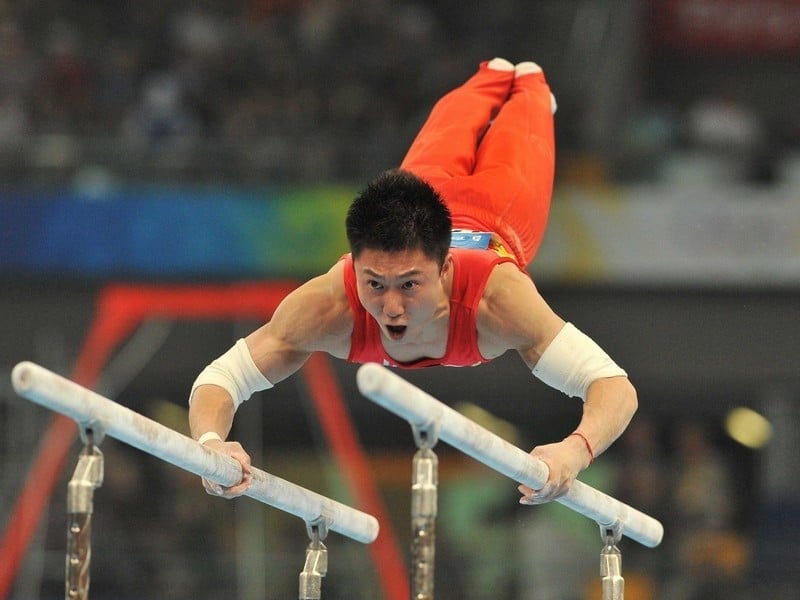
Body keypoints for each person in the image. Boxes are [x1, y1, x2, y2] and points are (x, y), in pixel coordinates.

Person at [188, 58, 638, 505]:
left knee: (529, 103)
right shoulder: (332, 303)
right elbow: (223, 376)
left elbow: (614, 386)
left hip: (501, 212)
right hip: (424, 196)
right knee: (457, 114)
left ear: (444, 270)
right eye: (374, 284)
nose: (391, 307)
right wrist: (210, 441)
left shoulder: (496, 300)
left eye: (409, 285)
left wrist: (574, 451)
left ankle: (530, 84)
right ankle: (491, 73)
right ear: (355, 264)